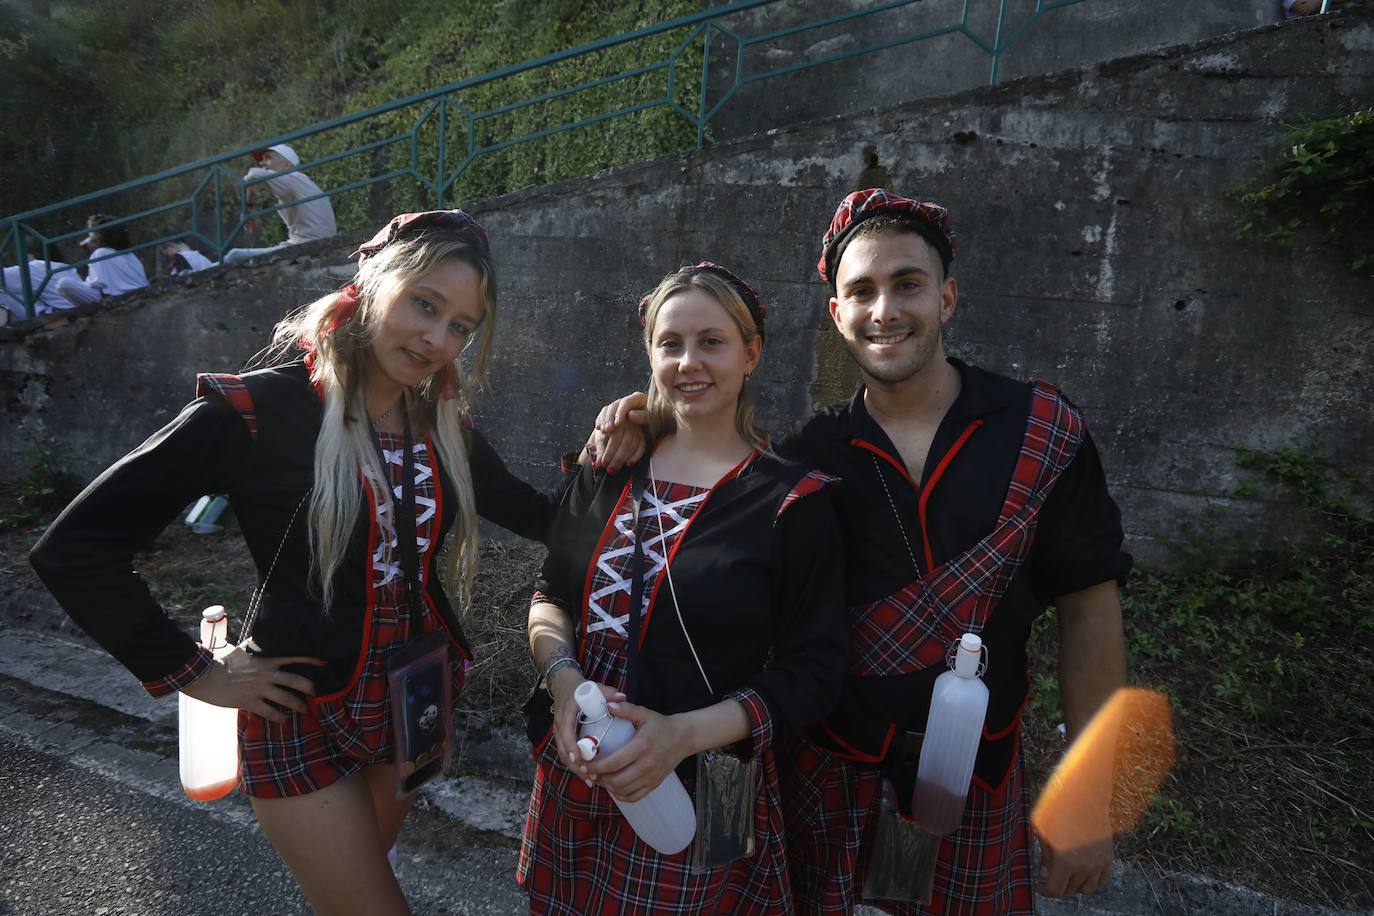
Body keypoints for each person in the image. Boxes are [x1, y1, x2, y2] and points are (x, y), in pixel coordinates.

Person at [589, 189, 1131, 913]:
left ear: (947, 295)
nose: (886, 310)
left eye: (907, 284)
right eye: (861, 291)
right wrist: (644, 421)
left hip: (975, 767)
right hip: (828, 768)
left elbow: (1090, 607)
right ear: (836, 313)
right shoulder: (805, 461)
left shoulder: (1038, 431)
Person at [31, 209, 557, 916]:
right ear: (369, 284)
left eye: (461, 325)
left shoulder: (442, 427)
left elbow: (542, 515)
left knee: (360, 885)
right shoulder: (258, 410)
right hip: (298, 709)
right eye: (423, 305)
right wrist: (195, 673)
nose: (437, 339)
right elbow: (77, 546)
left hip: (413, 702)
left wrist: (634, 439)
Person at [518, 262, 849, 914]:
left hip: (720, 775)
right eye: (671, 343)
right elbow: (549, 594)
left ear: (751, 353)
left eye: (713, 342)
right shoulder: (609, 465)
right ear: (650, 354)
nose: (689, 361)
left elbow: (818, 667)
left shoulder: (792, 500)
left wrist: (684, 734)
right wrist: (561, 681)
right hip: (583, 758)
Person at [223, 143, 337, 265]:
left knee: (233, 256)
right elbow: (252, 181)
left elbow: (253, 175)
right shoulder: (298, 181)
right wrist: (250, 207)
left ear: (287, 164)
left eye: (268, 158)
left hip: (307, 245)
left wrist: (249, 206)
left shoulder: (292, 178)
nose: (262, 163)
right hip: (313, 243)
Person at [55, 214, 150, 306]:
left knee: (63, 284)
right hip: (139, 289)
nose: (90, 237)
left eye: (92, 234)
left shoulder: (100, 253)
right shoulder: (129, 254)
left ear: (99, 235)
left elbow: (97, 285)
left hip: (113, 296)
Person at [1, 237, 73, 320]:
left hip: (58, 315)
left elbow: (3, 277)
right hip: (68, 309)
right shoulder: (63, 266)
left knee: (2, 293)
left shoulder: (35, 267)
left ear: (30, 255)